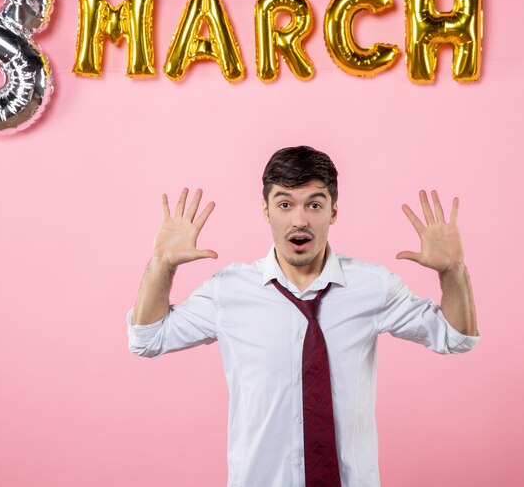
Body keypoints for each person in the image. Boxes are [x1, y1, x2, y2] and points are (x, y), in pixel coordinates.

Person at [127, 146, 479, 487]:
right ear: (266, 211)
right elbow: (148, 338)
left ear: (333, 212)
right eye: (284, 204)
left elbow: (455, 337)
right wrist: (162, 265)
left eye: (314, 204)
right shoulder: (228, 291)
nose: (299, 219)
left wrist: (453, 270)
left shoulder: (372, 286)